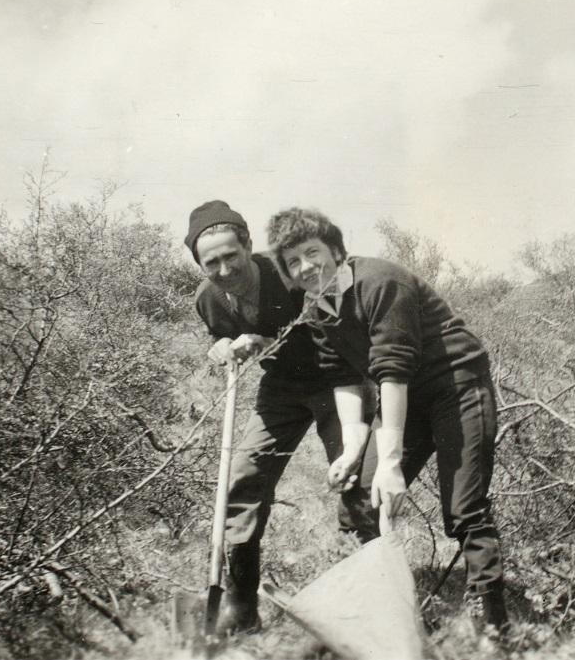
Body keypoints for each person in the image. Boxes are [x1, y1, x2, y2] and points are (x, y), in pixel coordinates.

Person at [266, 207, 509, 634]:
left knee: (464, 508)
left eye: (312, 252)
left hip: (456, 385)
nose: (306, 267)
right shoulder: (316, 309)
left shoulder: (380, 281)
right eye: (292, 262)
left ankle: (491, 627)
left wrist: (392, 464)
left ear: (336, 249)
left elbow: (392, 371)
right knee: (359, 498)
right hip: (406, 398)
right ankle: (379, 612)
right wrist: (354, 450)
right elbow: (343, 379)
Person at [184, 200, 379, 635]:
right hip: (281, 390)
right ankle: (241, 608)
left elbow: (335, 328)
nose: (224, 269)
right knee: (242, 483)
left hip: (336, 378)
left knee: (355, 483)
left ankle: (372, 599)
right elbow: (222, 335)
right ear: (200, 265)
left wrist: (265, 337)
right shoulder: (208, 298)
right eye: (210, 262)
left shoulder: (289, 272)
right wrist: (221, 347)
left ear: (249, 246)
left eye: (231, 255)